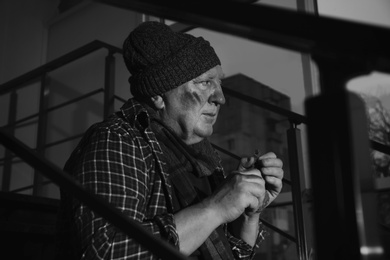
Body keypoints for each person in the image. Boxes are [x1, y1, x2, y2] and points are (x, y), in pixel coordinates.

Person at [58, 21, 284, 260]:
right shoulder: (118, 140)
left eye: (220, 83)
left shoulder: (203, 159)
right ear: (158, 95)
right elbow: (106, 252)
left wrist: (248, 212)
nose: (220, 97)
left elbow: (233, 255)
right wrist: (215, 208)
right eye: (206, 82)